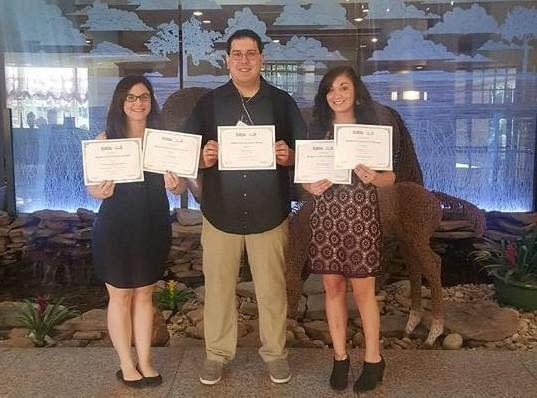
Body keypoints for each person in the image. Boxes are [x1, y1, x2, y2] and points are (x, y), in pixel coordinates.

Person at [184, 29, 306, 386]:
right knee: (218, 289)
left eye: (251, 53)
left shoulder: (282, 102)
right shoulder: (209, 103)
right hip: (219, 212)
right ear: (227, 60)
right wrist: (202, 157)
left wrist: (290, 155)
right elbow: (188, 151)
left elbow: (308, 153)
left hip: (270, 214)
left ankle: (275, 354)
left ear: (262, 58)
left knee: (271, 290)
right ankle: (216, 354)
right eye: (236, 54)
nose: (244, 60)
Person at [302, 66, 422, 393]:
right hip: (326, 217)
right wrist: (310, 187)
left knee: (364, 291)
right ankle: (340, 357)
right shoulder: (318, 131)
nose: (337, 95)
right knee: (332, 288)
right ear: (324, 96)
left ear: (356, 92)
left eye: (343, 88)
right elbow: (305, 176)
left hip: (361, 217)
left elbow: (390, 177)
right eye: (330, 90)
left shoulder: (371, 131)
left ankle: (373, 359)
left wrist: (375, 178)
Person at [88, 76, 186, 388]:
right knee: (119, 296)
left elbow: (181, 184)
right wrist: (100, 191)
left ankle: (145, 361)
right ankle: (126, 363)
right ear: (121, 102)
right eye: (131, 97)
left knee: (145, 294)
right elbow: (92, 189)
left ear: (151, 101)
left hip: (153, 223)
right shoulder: (106, 140)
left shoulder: (163, 141)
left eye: (144, 96)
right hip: (115, 225)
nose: (138, 102)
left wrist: (177, 183)